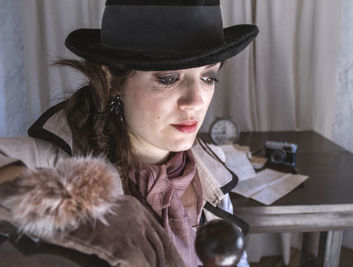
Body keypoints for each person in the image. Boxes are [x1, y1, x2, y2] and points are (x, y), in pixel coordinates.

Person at [0, 0, 258, 266]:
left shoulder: (209, 172)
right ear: (112, 82)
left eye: (208, 77)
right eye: (168, 79)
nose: (195, 101)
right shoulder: (48, 166)